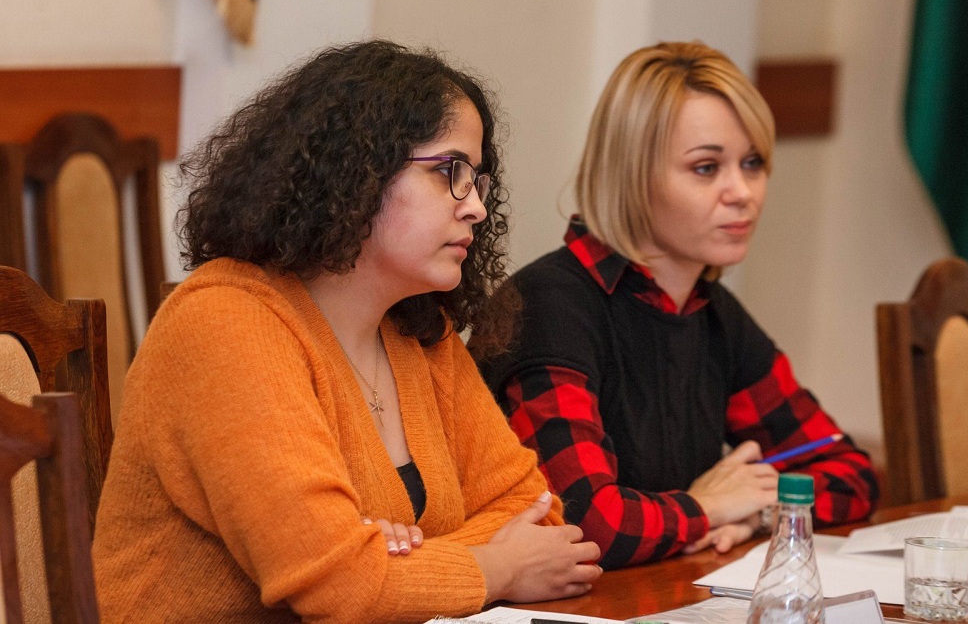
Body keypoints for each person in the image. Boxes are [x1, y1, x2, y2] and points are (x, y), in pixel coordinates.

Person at [92, 40, 601, 623]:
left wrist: (392, 564)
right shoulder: (224, 323)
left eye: (478, 180)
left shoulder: (417, 330)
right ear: (356, 171)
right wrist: (496, 565)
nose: (476, 209)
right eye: (448, 172)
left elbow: (537, 514)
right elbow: (339, 588)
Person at [472, 41, 879, 571]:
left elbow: (850, 472)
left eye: (753, 163)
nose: (743, 192)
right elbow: (586, 523)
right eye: (706, 168)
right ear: (632, 176)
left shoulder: (710, 310)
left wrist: (759, 512)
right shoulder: (547, 305)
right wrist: (706, 507)